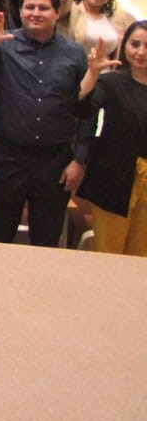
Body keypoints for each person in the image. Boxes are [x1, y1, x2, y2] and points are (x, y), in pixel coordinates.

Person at [0, 0, 89, 247]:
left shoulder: (75, 54)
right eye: (29, 7)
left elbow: (87, 111)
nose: (35, 13)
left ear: (57, 11)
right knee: (0, 236)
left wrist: (80, 160)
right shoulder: (3, 44)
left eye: (43, 7)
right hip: (9, 158)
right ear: (20, 11)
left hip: (55, 162)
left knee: (47, 239)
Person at [67, 21, 147, 256]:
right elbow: (81, 108)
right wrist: (92, 72)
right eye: (135, 44)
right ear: (125, 46)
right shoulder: (111, 81)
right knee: (109, 254)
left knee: (141, 258)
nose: (141, 52)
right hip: (112, 180)